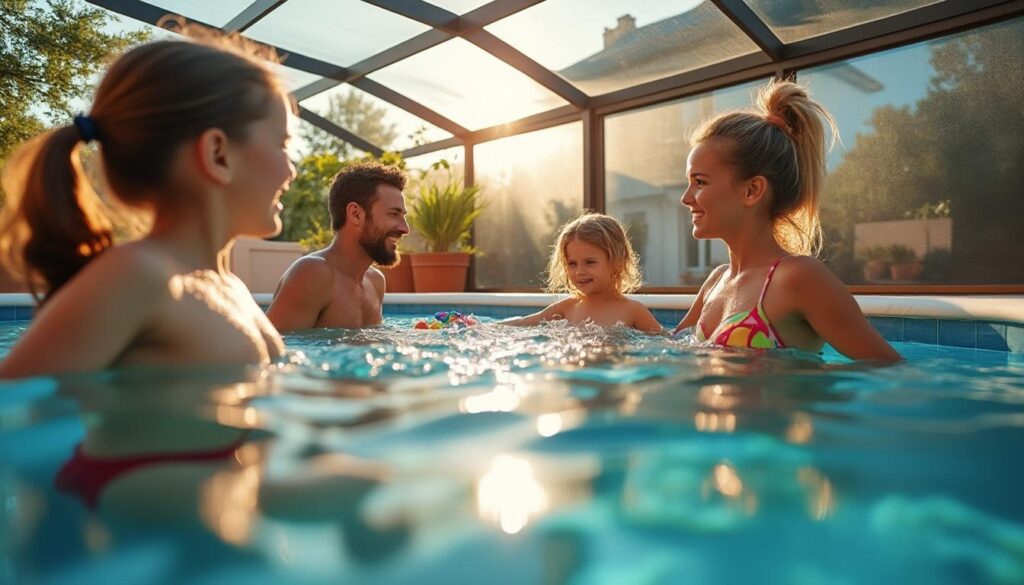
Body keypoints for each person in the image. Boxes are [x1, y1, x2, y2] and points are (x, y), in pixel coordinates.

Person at [0, 23, 295, 379]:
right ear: (218, 154)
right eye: (282, 145)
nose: (291, 170)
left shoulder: (228, 285)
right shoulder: (140, 275)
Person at [671, 80, 900, 362]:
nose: (686, 197)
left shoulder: (798, 277)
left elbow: (891, 369)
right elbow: (669, 348)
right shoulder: (717, 280)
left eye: (700, 182)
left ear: (752, 190)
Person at [267, 162, 410, 332]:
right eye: (394, 214)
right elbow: (272, 351)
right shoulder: (313, 273)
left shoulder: (375, 281)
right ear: (355, 214)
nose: (405, 228)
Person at [503, 212, 662, 333]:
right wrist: (483, 326)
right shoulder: (567, 308)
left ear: (617, 262)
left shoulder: (632, 310)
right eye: (572, 264)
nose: (579, 271)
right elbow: (523, 323)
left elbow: (665, 342)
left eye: (590, 262)